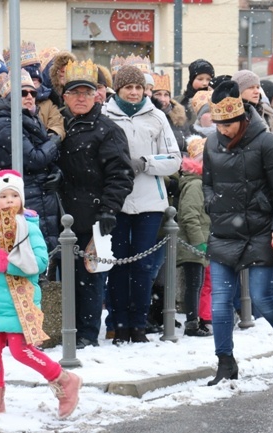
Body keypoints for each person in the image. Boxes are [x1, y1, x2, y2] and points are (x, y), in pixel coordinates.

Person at [0, 170, 81, 418]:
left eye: (14, 195)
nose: (9, 200)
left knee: (22, 351)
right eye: (3, 196)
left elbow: (40, 262)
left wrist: (6, 263)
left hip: (20, 301)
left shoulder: (28, 227)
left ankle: (65, 380)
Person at [202, 80, 273, 385]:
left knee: (262, 298)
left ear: (241, 118)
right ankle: (224, 361)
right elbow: (206, 182)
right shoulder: (211, 142)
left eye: (227, 125)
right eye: (217, 124)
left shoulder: (266, 142)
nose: (221, 130)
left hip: (260, 231)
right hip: (224, 231)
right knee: (220, 302)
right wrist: (212, 203)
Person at [102, 65, 181, 345]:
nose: (134, 93)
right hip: (117, 200)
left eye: (138, 87)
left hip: (150, 200)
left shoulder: (157, 116)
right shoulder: (105, 114)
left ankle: (139, 323)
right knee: (118, 264)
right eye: (128, 88)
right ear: (119, 90)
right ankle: (118, 322)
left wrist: (146, 163)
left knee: (144, 265)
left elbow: (174, 158)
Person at [57, 60, 134, 348]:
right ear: (64, 97)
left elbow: (121, 175)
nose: (81, 98)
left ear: (97, 95)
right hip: (61, 211)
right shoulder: (59, 125)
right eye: (75, 92)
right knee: (62, 277)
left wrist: (107, 211)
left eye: (86, 93)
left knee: (88, 279)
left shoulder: (108, 130)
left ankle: (86, 335)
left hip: (92, 214)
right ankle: (64, 328)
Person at [0, 69, 62, 255]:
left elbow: (44, 160)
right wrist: (54, 141)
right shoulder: (3, 122)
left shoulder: (29, 118)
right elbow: (35, 158)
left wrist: (56, 171)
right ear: (9, 97)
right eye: (23, 93)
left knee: (45, 254)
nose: (29, 96)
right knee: (30, 254)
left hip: (40, 193)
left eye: (33, 92)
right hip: (24, 195)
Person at [176, 136, 212, 337]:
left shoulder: (199, 183)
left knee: (196, 284)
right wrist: (199, 242)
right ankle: (192, 322)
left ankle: (194, 320)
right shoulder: (195, 185)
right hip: (193, 244)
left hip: (197, 242)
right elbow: (190, 216)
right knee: (193, 284)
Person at [176, 58, 215, 127]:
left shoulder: (217, 102)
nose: (205, 83)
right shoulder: (179, 102)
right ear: (192, 80)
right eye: (200, 79)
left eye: (209, 79)